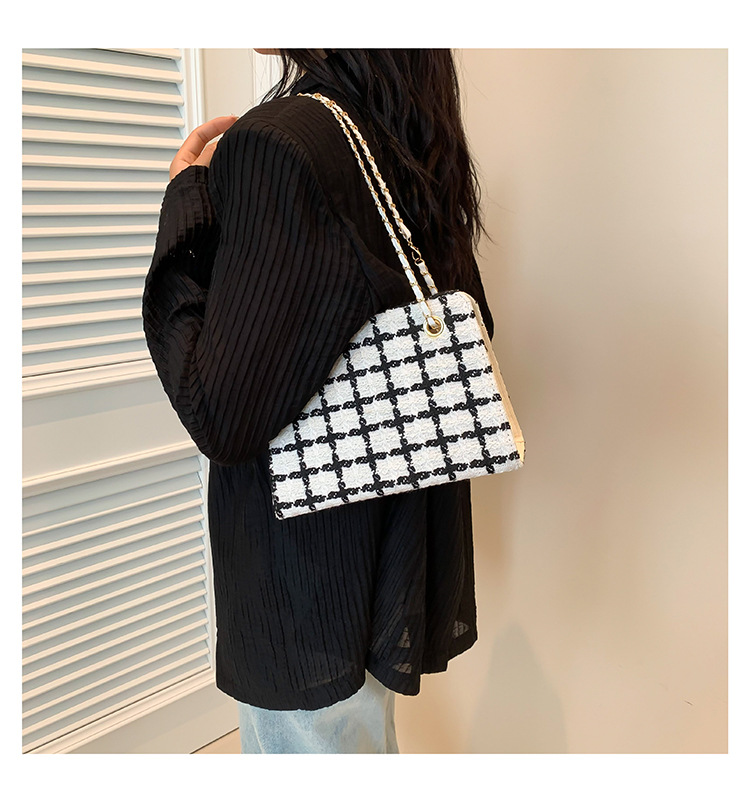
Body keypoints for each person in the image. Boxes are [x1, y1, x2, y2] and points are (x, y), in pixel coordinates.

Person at [141, 48, 495, 754]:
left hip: (306, 561)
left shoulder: (279, 145)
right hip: (391, 523)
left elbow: (218, 414)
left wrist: (187, 202)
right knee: (354, 742)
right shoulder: (401, 132)